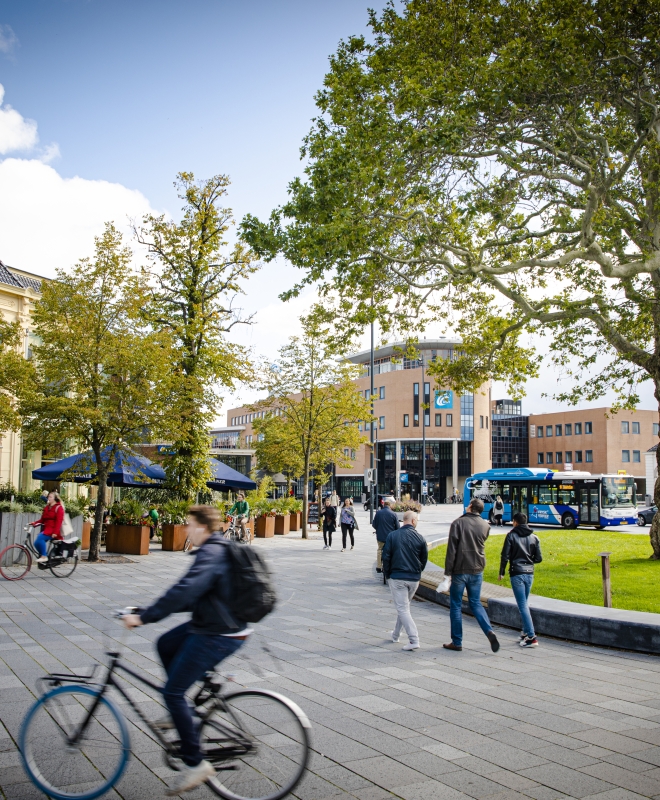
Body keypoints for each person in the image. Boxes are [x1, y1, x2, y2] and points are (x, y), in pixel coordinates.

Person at [122, 505, 249, 796]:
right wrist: (146, 610)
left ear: (202, 527)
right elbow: (191, 597)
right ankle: (182, 711)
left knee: (172, 692)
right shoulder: (213, 550)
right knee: (165, 644)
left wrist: (144, 618)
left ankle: (195, 764)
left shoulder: (211, 553)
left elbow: (185, 590)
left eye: (190, 524)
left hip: (221, 633)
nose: (187, 529)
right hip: (214, 623)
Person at [443, 497, 500, 653]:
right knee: (475, 603)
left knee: (456, 605)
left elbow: (451, 550)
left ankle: (457, 641)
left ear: (470, 507)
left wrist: (447, 573)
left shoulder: (458, 523)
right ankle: (489, 631)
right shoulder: (485, 525)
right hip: (477, 569)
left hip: (460, 569)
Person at [381, 510, 428, 651]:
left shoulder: (393, 536)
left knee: (402, 608)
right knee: (404, 608)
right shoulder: (420, 538)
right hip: (413, 578)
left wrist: (388, 574)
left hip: (397, 577)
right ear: (413, 521)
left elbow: (386, 556)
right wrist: (417, 571)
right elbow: (424, 559)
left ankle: (414, 639)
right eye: (417, 520)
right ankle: (395, 635)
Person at [499, 512, 542, 648]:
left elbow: (505, 555)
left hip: (516, 572)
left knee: (522, 605)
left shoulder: (511, 535)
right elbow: (538, 558)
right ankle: (525, 632)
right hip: (529, 573)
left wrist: (501, 572)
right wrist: (529, 561)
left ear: (515, 522)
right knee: (524, 603)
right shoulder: (534, 537)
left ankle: (531, 637)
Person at [29, 491, 64, 563]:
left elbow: (59, 522)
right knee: (36, 543)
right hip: (47, 529)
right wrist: (34, 523)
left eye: (50, 497)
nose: (48, 498)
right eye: (48, 497)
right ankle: (45, 556)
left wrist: (55, 532)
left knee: (40, 538)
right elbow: (42, 520)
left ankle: (44, 556)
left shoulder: (59, 508)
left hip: (53, 530)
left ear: (55, 499)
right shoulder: (47, 507)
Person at [372, 498, 399, 573]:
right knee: (391, 551)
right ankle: (390, 565)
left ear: (383, 505)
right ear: (390, 506)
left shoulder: (378, 513)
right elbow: (397, 527)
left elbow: (374, 524)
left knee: (380, 550)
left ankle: (379, 566)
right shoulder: (393, 514)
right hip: (390, 537)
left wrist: (378, 529)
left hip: (380, 536)